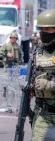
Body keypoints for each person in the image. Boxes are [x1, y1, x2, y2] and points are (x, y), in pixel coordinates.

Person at [31, 9, 55, 141]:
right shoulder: (37, 52)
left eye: (49, 29)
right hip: (43, 113)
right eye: (43, 30)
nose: (45, 33)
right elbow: (34, 74)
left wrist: (49, 84)